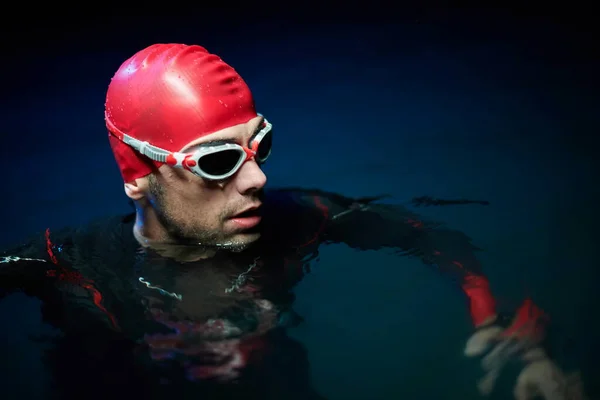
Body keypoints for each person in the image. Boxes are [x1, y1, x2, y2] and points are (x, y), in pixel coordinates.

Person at [0, 43, 584, 400]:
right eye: (218, 162)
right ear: (138, 176)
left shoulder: (297, 221)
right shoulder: (65, 262)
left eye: (259, 147)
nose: (255, 180)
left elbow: (430, 235)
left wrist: (508, 328)